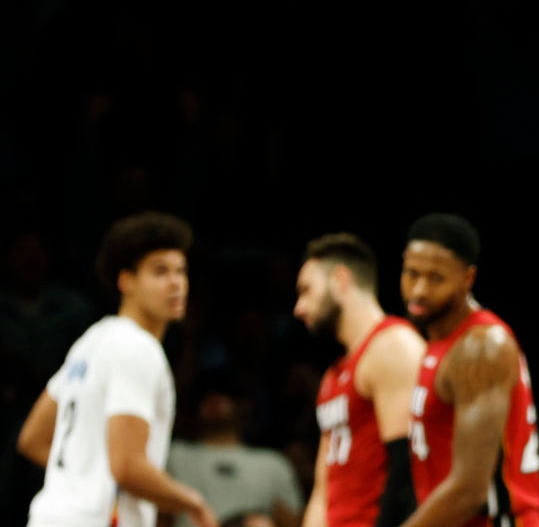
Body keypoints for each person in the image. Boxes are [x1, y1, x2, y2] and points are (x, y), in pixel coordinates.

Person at [16, 211, 219, 527]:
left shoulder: (93, 340)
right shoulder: (137, 348)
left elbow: (32, 438)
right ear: (126, 281)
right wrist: (194, 502)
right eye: (160, 271)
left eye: (182, 271)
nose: (176, 283)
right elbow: (127, 466)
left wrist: (84, 478)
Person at [397, 212, 539, 527]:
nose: (419, 290)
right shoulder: (439, 342)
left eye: (435, 278)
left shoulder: (479, 347)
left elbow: (469, 490)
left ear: (468, 278)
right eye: (412, 274)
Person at [292, 232, 425, 526]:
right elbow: (323, 489)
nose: (298, 307)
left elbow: (409, 471)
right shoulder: (333, 375)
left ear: (340, 280)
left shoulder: (394, 346)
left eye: (306, 290)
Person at [165, 382, 304, 527]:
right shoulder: (176, 455)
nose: (216, 398)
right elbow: (160, 517)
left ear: (245, 406)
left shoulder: (273, 463)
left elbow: (292, 522)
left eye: (227, 394)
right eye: (206, 395)